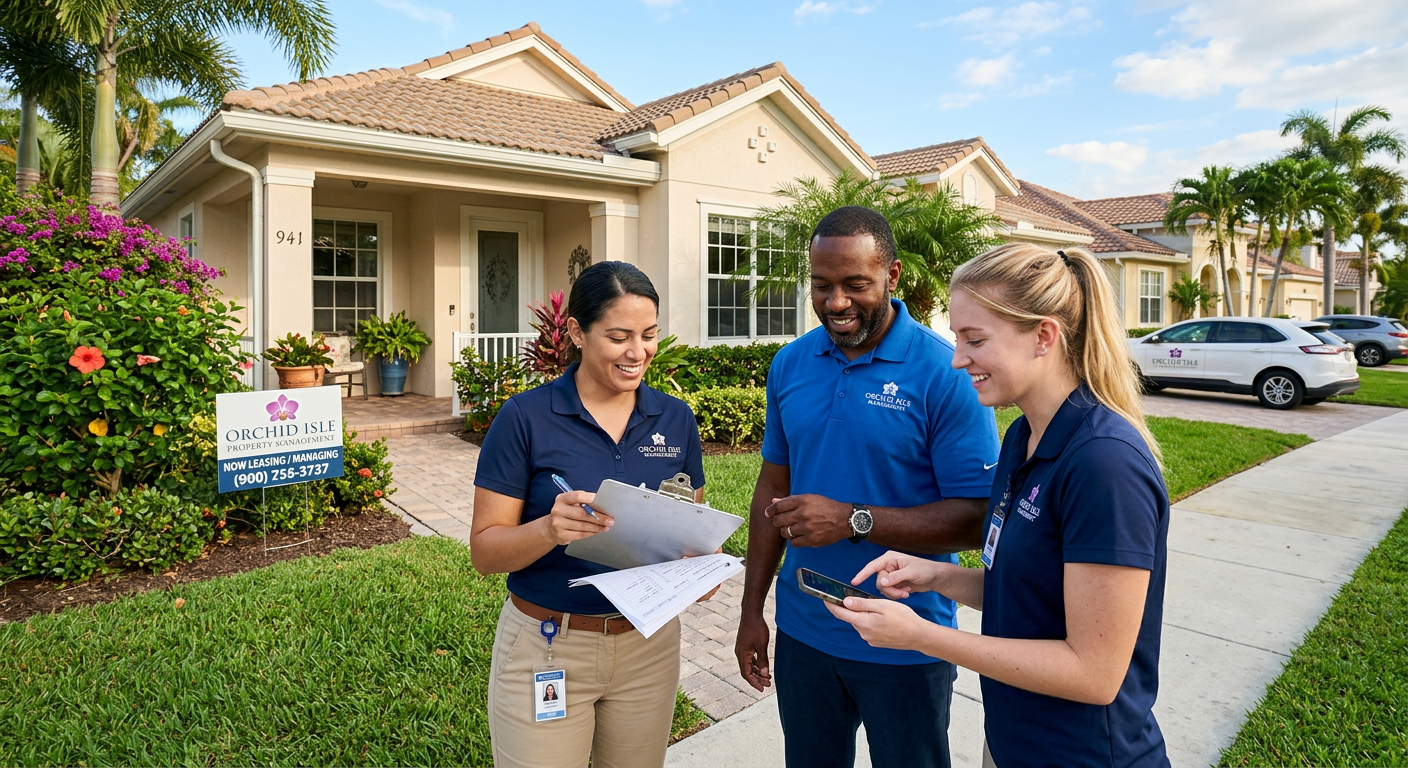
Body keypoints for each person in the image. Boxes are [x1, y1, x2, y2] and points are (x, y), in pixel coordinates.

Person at [827, 243, 1171, 768]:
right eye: (956, 336)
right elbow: (1032, 597)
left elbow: (1095, 673)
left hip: (1085, 753)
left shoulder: (1105, 464)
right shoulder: (1023, 438)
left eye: (974, 339)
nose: (958, 357)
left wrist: (922, 636)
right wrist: (935, 577)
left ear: (1044, 336)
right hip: (1014, 740)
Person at [734, 206, 999, 768]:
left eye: (856, 284)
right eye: (822, 285)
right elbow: (771, 489)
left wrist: (854, 519)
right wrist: (752, 609)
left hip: (907, 638)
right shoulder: (789, 364)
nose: (836, 302)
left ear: (893, 276)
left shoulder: (944, 370)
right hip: (806, 631)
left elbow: (978, 516)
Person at [470, 261, 706, 768]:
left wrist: (699, 566)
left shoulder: (675, 419)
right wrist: (548, 529)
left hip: (648, 646)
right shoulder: (525, 418)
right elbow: (485, 552)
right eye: (618, 337)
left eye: (648, 335)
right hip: (549, 645)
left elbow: (691, 531)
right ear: (576, 332)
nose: (637, 352)